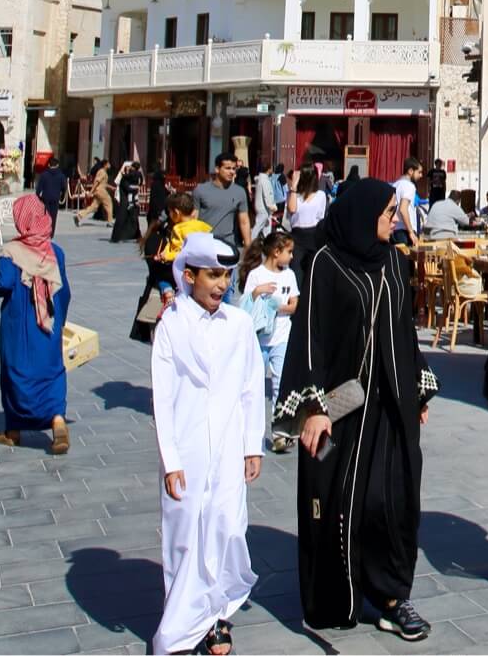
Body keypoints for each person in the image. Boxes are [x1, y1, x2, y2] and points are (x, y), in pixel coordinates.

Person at [278, 179, 436, 641]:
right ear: (363, 213)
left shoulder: (391, 260)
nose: (393, 218)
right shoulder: (325, 264)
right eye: (388, 211)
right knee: (335, 498)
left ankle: (391, 596)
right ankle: (336, 593)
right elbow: (310, 337)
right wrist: (312, 408)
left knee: (390, 500)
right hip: (340, 410)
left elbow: (403, 329)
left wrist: (417, 390)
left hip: (389, 408)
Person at [152, 234, 264, 656]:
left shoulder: (238, 325)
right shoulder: (171, 325)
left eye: (227, 276)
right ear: (189, 275)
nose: (221, 284)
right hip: (188, 446)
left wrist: (252, 444)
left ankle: (218, 615)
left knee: (228, 528)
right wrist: (171, 458)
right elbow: (162, 396)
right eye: (213, 275)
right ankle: (182, 620)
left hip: (230, 444)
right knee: (184, 532)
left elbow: (252, 387)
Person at [0, 194, 71, 454]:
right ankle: (57, 421)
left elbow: (3, 285)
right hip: (49, 319)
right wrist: (60, 318)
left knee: (16, 370)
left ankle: (14, 431)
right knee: (51, 369)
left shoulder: (10, 253)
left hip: (19, 321)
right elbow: (65, 290)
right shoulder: (55, 251)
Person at [237, 232, 298, 453]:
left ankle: (280, 433)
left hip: (281, 336)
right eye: (288, 252)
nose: (291, 257)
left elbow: (293, 304)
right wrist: (257, 293)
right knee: (253, 383)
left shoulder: (289, 276)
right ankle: (249, 432)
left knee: (280, 384)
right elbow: (245, 303)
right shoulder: (256, 274)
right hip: (259, 338)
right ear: (276, 252)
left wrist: (274, 306)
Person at [131, 194, 210, 345]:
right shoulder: (198, 228)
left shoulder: (179, 231)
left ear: (175, 212)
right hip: (181, 291)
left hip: (186, 294)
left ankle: (168, 292)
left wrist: (167, 257)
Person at [193, 153, 251, 251]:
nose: (231, 172)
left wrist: (248, 246)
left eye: (234, 168)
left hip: (227, 244)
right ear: (217, 169)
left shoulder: (240, 192)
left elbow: (244, 221)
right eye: (227, 168)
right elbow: (193, 218)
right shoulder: (201, 190)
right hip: (204, 243)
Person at [285, 165, 329, 283]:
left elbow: (320, 217)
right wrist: (293, 186)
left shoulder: (321, 195)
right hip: (297, 236)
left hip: (313, 236)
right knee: (296, 272)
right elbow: (292, 209)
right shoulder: (293, 195)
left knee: (312, 274)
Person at [390, 158, 424, 241]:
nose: (421, 175)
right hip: (404, 231)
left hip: (394, 230)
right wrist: (411, 232)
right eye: (419, 172)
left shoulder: (395, 185)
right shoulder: (409, 186)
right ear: (410, 171)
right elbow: (403, 209)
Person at [111, 160, 143, 246]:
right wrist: (135, 188)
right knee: (123, 218)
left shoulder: (131, 176)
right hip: (125, 201)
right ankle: (116, 236)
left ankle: (137, 235)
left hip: (131, 200)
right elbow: (127, 187)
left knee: (134, 217)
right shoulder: (126, 178)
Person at [35, 155, 69, 225]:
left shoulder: (44, 175)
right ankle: (51, 232)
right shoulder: (61, 176)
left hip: (46, 197)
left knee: (46, 215)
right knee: (53, 216)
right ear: (57, 165)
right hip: (56, 197)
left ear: (48, 165)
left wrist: (38, 197)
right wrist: (61, 195)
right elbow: (64, 187)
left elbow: (39, 188)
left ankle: (45, 231)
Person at [79, 158, 113, 226]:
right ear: (105, 165)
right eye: (108, 164)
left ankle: (79, 215)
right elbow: (96, 182)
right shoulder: (102, 172)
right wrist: (91, 192)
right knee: (109, 204)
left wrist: (111, 187)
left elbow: (103, 183)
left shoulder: (102, 172)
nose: (109, 165)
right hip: (101, 191)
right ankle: (110, 221)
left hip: (98, 191)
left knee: (93, 207)